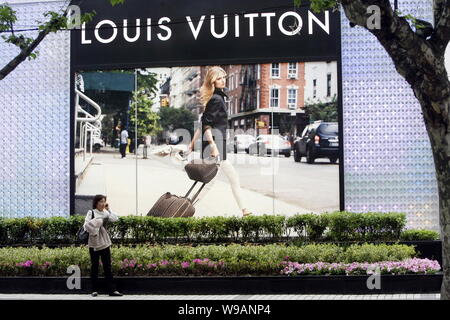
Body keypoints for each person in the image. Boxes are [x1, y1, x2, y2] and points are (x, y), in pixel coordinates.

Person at [187, 66, 252, 217]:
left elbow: (202, 124)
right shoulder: (216, 99)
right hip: (215, 148)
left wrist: (191, 144)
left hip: (215, 147)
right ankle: (187, 210)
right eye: (219, 78)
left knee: (230, 178)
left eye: (223, 77)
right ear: (212, 81)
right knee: (210, 184)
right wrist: (213, 146)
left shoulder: (215, 98)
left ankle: (245, 210)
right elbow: (207, 126)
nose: (223, 80)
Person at [83, 195, 123, 297]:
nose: (102, 203)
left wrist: (109, 209)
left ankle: (112, 290)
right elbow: (86, 226)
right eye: (100, 201)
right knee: (95, 266)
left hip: (104, 242)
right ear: (96, 203)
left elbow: (115, 219)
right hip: (94, 242)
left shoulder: (105, 213)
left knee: (107, 267)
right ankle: (94, 290)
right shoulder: (91, 212)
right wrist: (97, 226)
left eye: (104, 201)